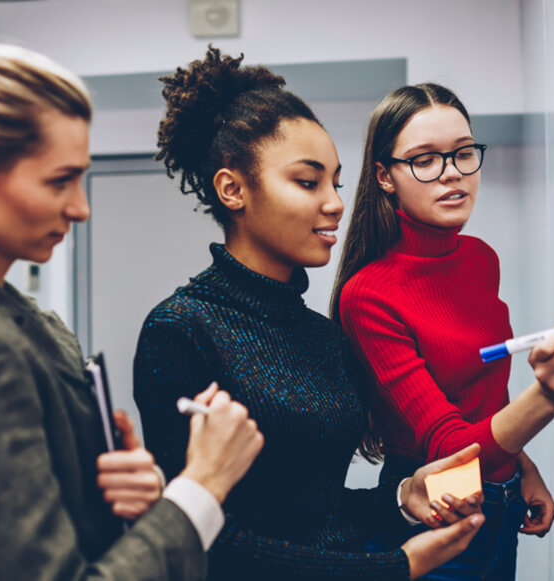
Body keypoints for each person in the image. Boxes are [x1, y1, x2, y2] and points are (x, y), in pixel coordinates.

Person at [0, 43, 263, 581]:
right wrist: (201, 488)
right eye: (59, 181)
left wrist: (129, 497)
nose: (81, 207)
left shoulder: (21, 319)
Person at [133, 47, 485, 581]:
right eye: (307, 181)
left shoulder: (324, 336)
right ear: (233, 189)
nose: (336, 202)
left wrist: (400, 497)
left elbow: (317, 511)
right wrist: (396, 567)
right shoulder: (181, 330)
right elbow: (205, 540)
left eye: (336, 182)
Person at [331, 83, 554, 579]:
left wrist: (522, 468)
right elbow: (449, 446)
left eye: (463, 153)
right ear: (384, 176)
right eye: (425, 159)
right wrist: (548, 398)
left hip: (504, 500)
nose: (452, 172)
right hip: (434, 515)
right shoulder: (367, 295)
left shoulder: (479, 258)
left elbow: (482, 393)